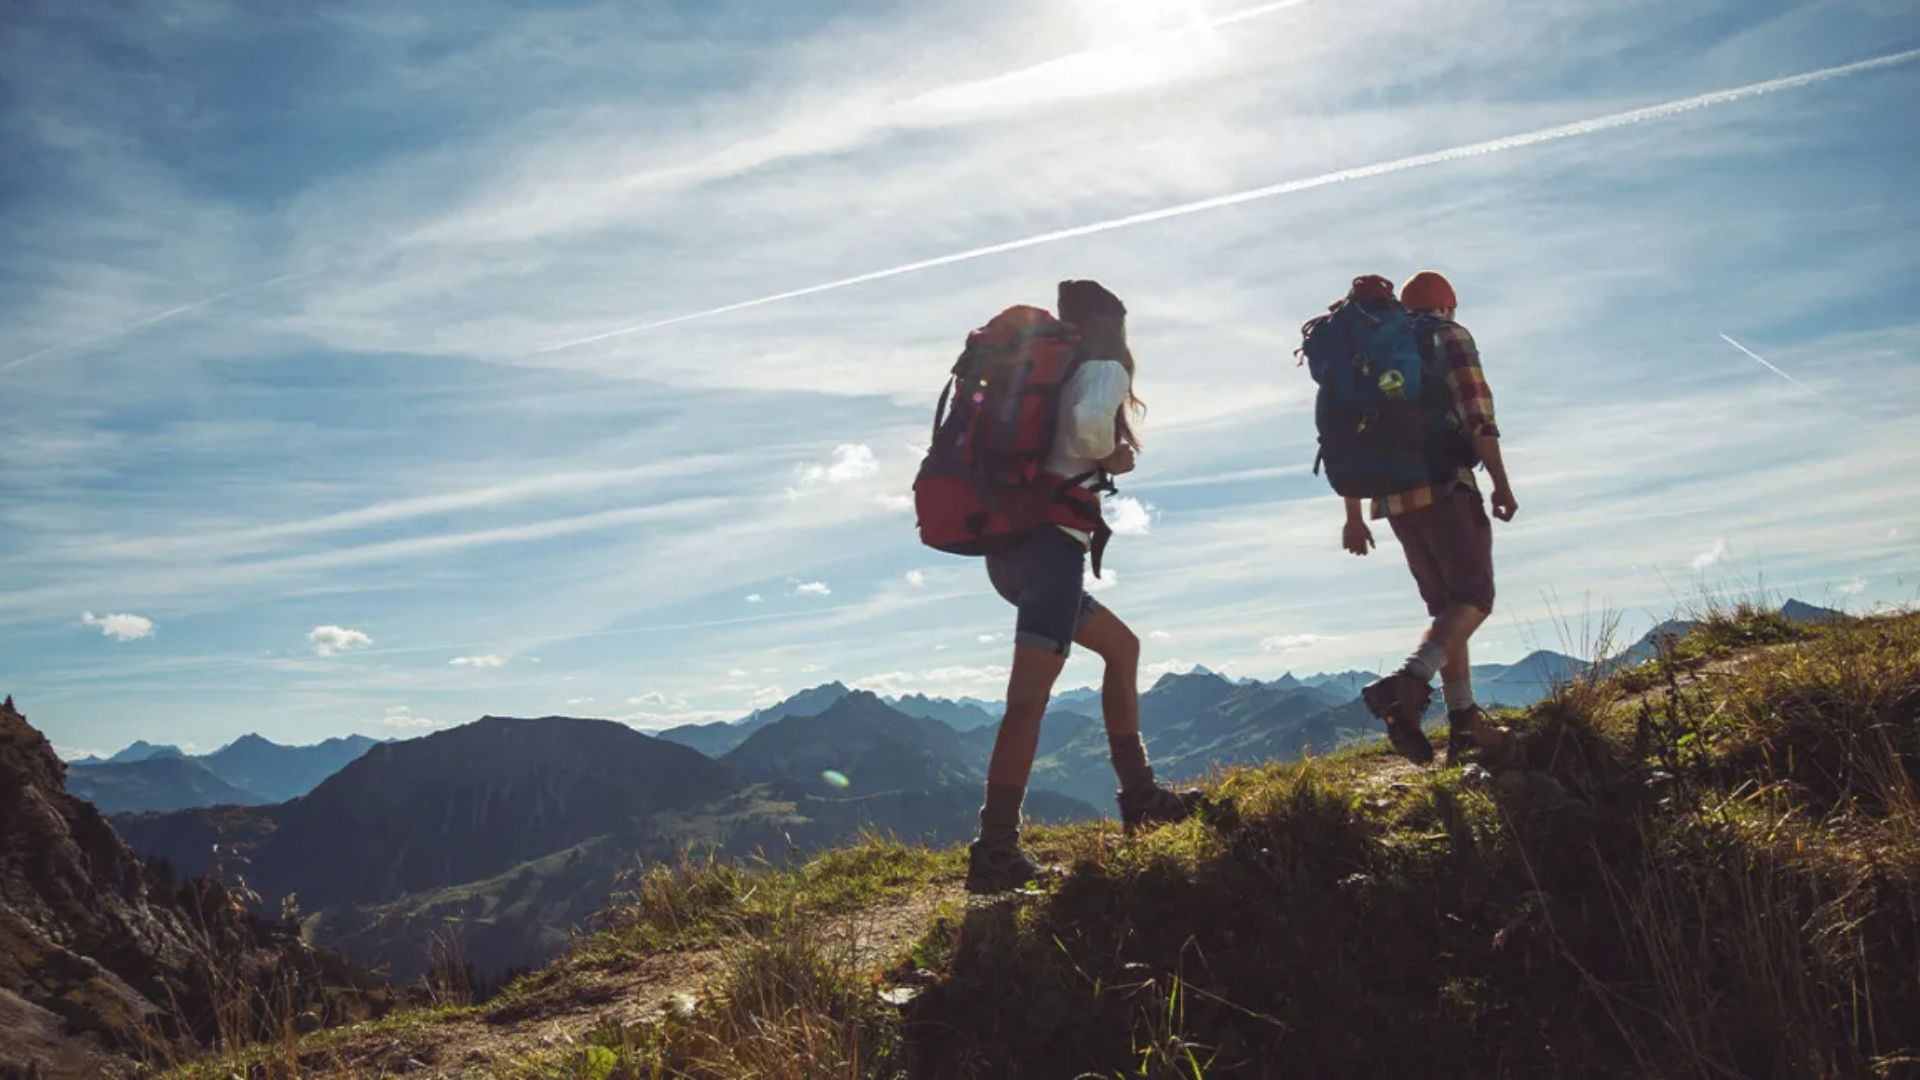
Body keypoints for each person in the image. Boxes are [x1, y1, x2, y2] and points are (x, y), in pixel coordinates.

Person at [967, 279, 1203, 893]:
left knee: (1122, 649)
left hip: (1015, 550)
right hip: (1051, 551)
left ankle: (1140, 795)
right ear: (1114, 325)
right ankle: (996, 848)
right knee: (1028, 701)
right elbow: (1089, 425)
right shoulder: (1102, 367)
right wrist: (1114, 457)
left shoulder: (1053, 368)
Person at [1342, 270, 1516, 766]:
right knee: (1474, 599)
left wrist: (1353, 516)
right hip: (1444, 484)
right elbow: (1479, 414)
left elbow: (1346, 436)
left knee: (1446, 609)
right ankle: (1409, 681)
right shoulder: (1449, 337)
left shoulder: (1370, 355)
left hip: (1391, 499)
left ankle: (1463, 723)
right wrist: (1501, 484)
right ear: (1448, 307)